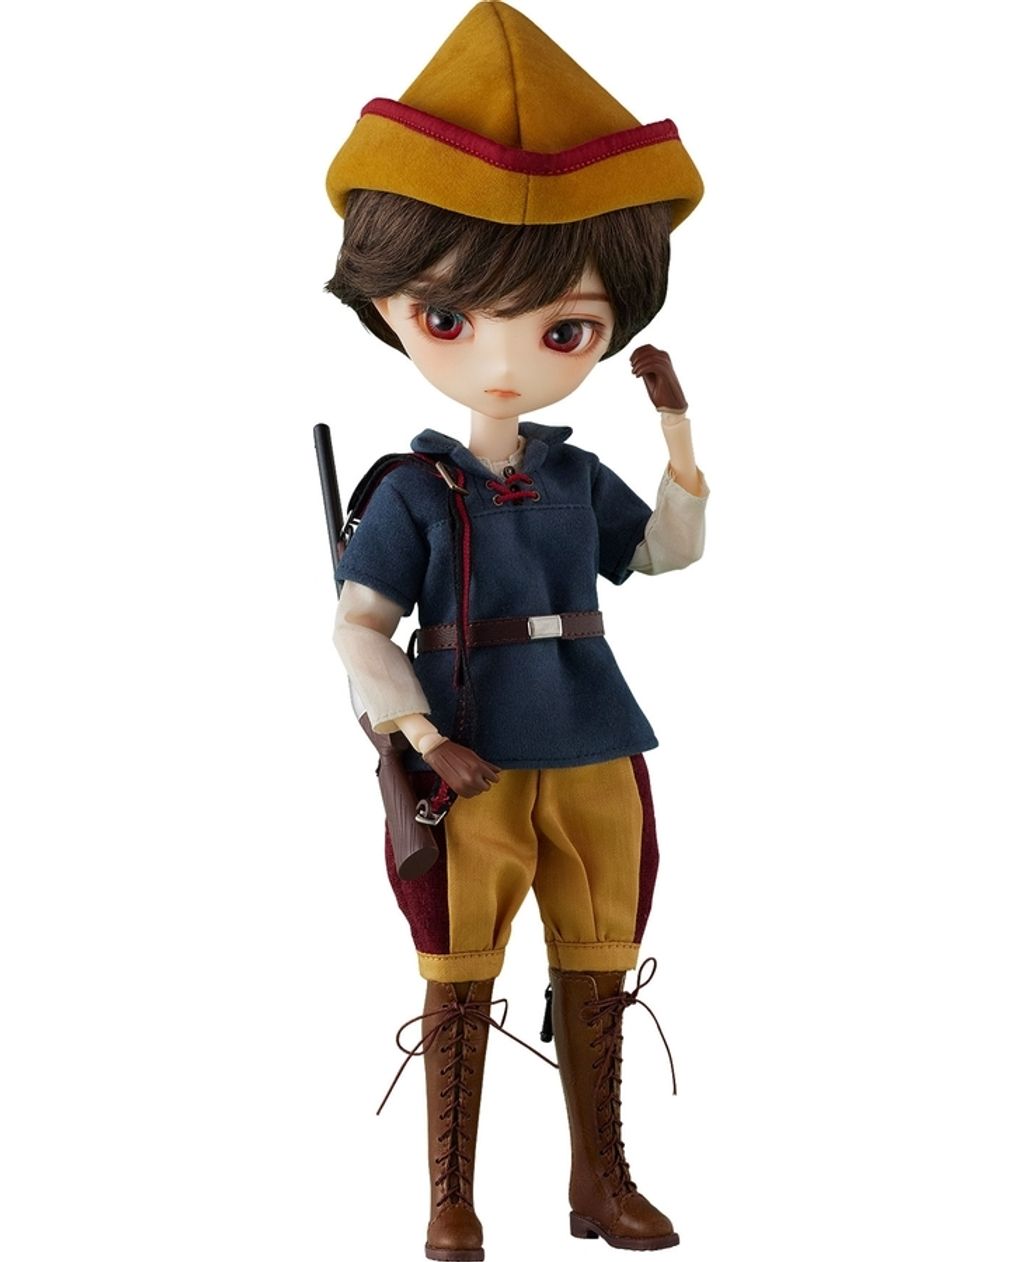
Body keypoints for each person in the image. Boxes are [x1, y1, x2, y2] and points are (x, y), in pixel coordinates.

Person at [322, 4, 708, 1256]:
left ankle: (600, 1176)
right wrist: (418, 734)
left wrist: (678, 435)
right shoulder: (408, 491)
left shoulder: (576, 471)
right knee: (459, 968)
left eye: (560, 329)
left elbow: (660, 553)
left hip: (590, 732)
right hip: (469, 750)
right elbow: (359, 628)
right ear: (391, 308)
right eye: (449, 317)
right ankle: (451, 1191)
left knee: (599, 959)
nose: (504, 360)